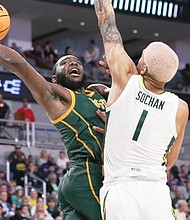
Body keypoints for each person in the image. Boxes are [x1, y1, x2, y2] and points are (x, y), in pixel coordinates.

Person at [94, 1, 189, 220]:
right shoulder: (180, 108)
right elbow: (170, 161)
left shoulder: (126, 78)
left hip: (120, 189)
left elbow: (107, 21)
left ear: (143, 68)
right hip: (155, 192)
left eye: (142, 56)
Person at [0, 44, 109, 220]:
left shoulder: (97, 91)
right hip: (88, 173)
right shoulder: (58, 97)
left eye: (77, 62)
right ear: (55, 79)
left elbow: (129, 97)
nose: (73, 63)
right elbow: (20, 65)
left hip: (79, 179)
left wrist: (120, 73)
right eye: (65, 63)